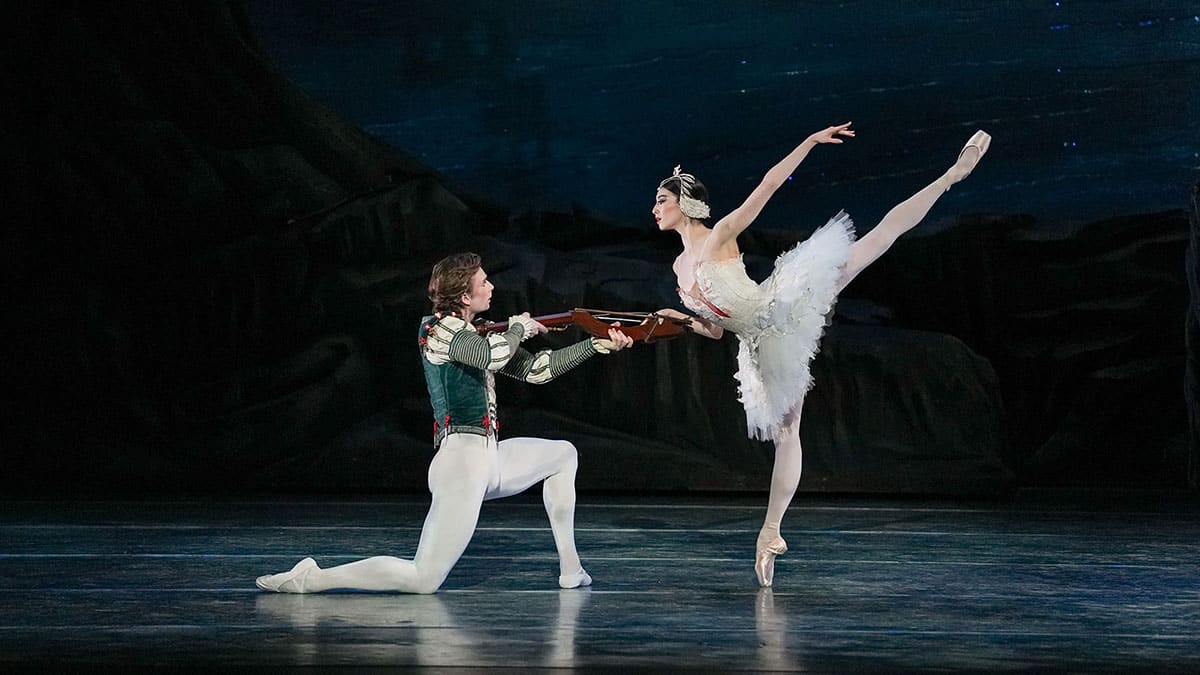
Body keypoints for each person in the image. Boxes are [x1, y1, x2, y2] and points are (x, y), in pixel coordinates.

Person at [653, 123, 991, 587]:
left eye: (662, 200)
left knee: (873, 242)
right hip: (756, 344)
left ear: (685, 205)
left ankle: (954, 173)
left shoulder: (718, 237)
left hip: (782, 305)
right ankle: (770, 534)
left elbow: (768, 184)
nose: (655, 209)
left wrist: (809, 143)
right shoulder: (678, 267)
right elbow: (714, 331)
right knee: (787, 432)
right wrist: (678, 320)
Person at [255, 252, 634, 594]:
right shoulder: (438, 330)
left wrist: (596, 346)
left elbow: (537, 370)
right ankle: (312, 577)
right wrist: (519, 328)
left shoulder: (476, 332)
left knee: (563, 455)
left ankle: (571, 569)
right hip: (461, 464)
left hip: (488, 458)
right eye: (484, 282)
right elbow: (493, 356)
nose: (492, 286)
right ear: (465, 297)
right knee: (423, 579)